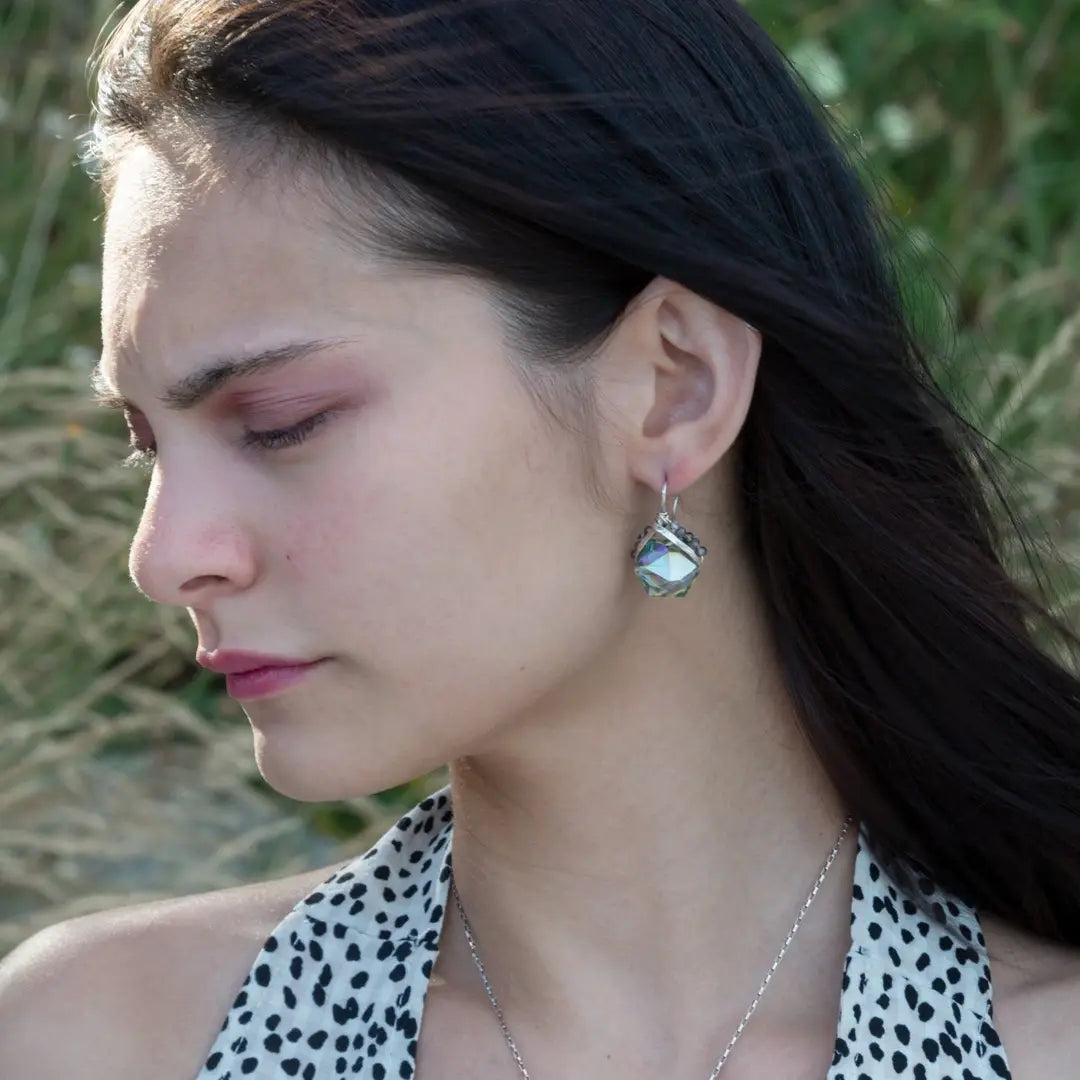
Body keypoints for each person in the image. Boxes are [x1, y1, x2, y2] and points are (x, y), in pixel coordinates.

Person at [2, 0, 1080, 1076]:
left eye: (281, 423)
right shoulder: (97, 1044)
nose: (164, 555)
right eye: (148, 445)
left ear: (673, 387)